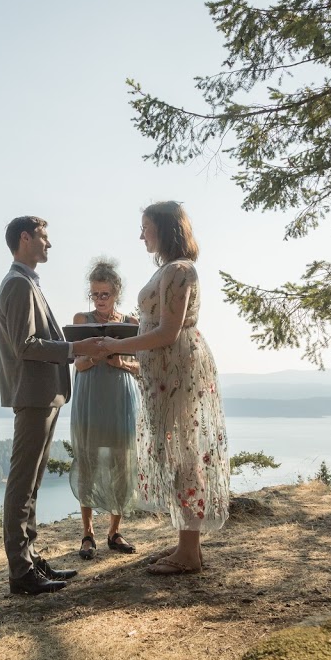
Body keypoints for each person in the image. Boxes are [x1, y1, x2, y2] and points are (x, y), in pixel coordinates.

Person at [98, 202, 230, 575]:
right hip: (164, 372)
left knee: (184, 456)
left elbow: (169, 332)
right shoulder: (172, 270)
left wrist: (113, 345)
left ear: (165, 229)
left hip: (177, 371)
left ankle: (189, 553)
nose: (141, 235)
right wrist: (131, 361)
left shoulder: (180, 270)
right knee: (177, 454)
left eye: (146, 227)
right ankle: (186, 547)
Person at [0, 215, 106, 595]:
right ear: (25, 238)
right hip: (33, 395)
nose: (49, 244)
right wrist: (77, 349)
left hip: (44, 395)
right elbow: (25, 347)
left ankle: (30, 559)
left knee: (32, 485)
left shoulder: (27, 283)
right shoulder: (17, 285)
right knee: (22, 483)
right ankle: (21, 572)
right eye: (44, 237)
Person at [68, 258, 141, 560]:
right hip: (90, 396)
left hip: (120, 398)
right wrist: (98, 355)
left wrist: (121, 361)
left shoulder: (131, 324)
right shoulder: (81, 320)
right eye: (95, 294)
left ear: (116, 293)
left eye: (105, 294)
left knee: (121, 464)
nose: (99, 300)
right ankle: (87, 533)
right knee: (87, 462)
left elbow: (141, 366)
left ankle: (115, 531)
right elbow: (77, 362)